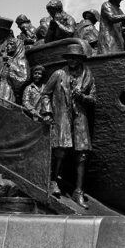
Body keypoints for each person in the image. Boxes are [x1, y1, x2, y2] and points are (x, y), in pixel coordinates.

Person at [41, 44, 96, 209]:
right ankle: (53, 181)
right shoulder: (59, 74)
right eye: (69, 57)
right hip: (62, 116)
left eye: (75, 57)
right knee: (60, 151)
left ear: (80, 59)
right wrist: (47, 113)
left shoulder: (88, 77)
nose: (72, 60)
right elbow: (45, 94)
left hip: (79, 117)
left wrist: (84, 97)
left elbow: (94, 99)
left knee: (82, 154)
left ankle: (78, 191)